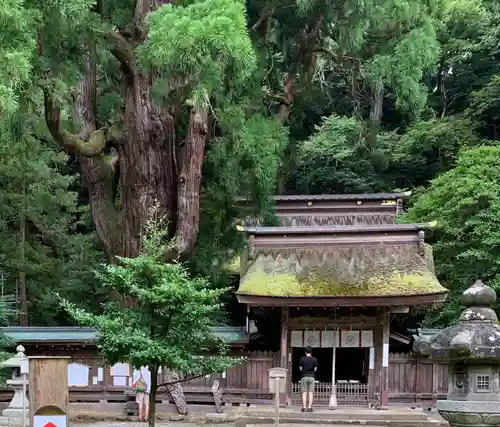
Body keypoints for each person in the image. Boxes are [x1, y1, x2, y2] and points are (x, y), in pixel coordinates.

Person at [299, 346, 318, 412]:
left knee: (304, 392)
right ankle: (309, 408)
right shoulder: (315, 359)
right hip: (312, 376)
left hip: (304, 376)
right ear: (311, 352)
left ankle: (304, 407)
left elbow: (300, 368)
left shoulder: (302, 359)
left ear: (305, 352)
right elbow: (315, 369)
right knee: (310, 392)